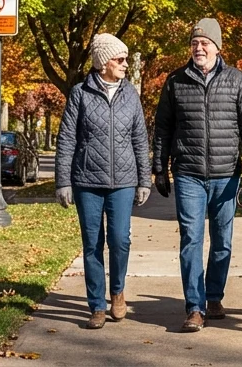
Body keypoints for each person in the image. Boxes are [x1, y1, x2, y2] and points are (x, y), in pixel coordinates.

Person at [152, 17, 242, 332]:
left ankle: (214, 296)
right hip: (188, 173)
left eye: (205, 43)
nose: (199, 48)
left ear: (217, 47)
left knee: (223, 243)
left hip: (226, 175)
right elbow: (162, 128)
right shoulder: (175, 81)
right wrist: (159, 167)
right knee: (191, 239)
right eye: (194, 43)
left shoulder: (237, 81)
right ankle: (195, 308)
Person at [55, 33, 151, 330]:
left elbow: (139, 138)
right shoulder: (80, 93)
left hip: (123, 181)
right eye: (119, 59)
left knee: (120, 240)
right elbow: (67, 139)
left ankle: (118, 292)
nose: (124, 64)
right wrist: (63, 181)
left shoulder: (130, 94)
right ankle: (96, 305)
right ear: (103, 63)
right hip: (87, 181)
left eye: (125, 59)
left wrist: (144, 180)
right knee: (92, 245)